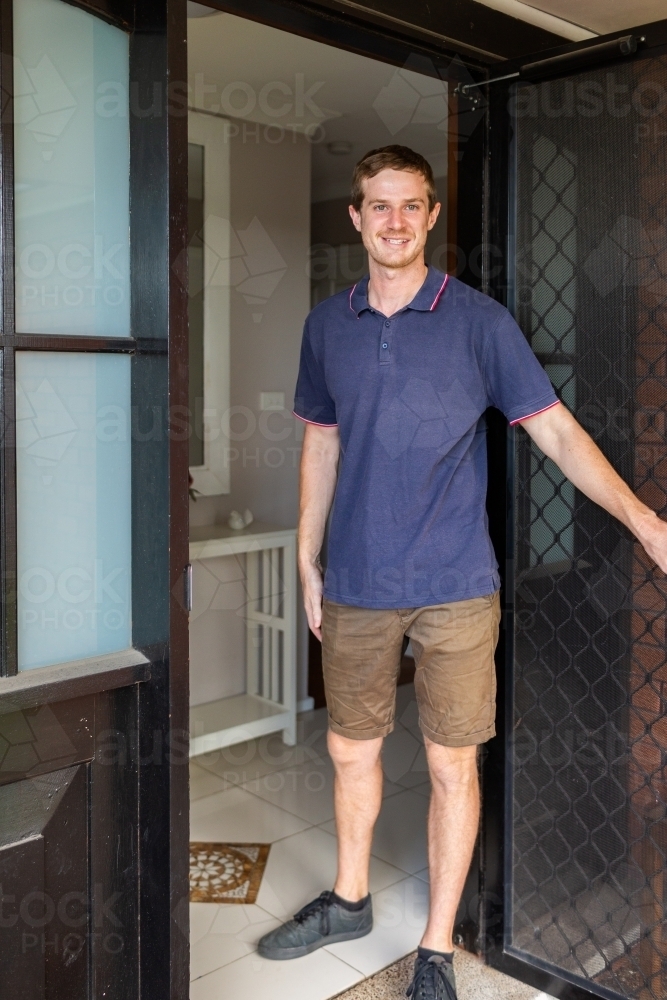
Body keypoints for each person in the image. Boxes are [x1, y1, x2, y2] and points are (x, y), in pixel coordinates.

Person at [257, 145, 667, 999]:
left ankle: (437, 949)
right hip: (358, 582)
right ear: (356, 216)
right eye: (379, 206)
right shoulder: (325, 325)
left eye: (411, 206)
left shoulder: (478, 321)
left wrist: (641, 518)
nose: (395, 221)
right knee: (350, 750)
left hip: (455, 586)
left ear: (432, 216)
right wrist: (304, 555)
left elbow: (552, 429)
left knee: (451, 766)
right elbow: (320, 441)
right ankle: (349, 897)